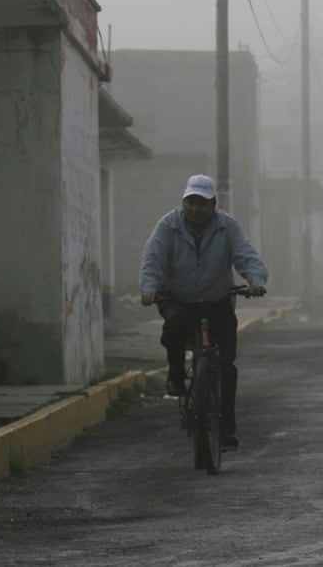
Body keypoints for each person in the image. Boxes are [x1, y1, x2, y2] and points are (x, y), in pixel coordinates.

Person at [138, 174, 268, 451]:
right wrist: (149, 288)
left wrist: (256, 281)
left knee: (226, 365)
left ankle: (225, 430)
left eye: (202, 202)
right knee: (174, 323)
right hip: (178, 297)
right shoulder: (168, 225)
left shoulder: (227, 226)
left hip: (216, 298)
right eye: (190, 202)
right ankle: (175, 374)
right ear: (184, 202)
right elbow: (153, 259)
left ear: (213, 204)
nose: (195, 208)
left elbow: (245, 255)